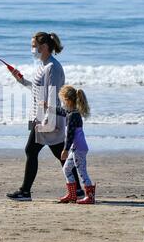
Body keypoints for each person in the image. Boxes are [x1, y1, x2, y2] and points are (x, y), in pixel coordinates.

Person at [6, 32, 83, 201]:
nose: (32, 49)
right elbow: (38, 89)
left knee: (31, 150)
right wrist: (21, 80)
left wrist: (49, 119)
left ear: (45, 47)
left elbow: (52, 94)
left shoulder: (53, 67)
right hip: (40, 115)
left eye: (34, 45)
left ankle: (25, 192)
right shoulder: (43, 65)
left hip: (48, 116)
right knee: (59, 153)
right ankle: (77, 189)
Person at [51, 85, 95, 204]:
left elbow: (70, 135)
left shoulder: (72, 116)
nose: (62, 104)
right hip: (76, 148)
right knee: (66, 169)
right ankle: (72, 194)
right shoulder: (72, 112)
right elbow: (62, 111)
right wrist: (48, 107)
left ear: (68, 101)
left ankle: (90, 196)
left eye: (63, 101)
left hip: (78, 149)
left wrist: (65, 150)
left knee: (82, 171)